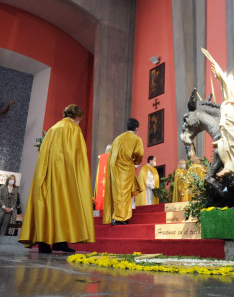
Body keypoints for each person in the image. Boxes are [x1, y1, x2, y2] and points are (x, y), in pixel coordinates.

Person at [19, 104, 94, 253]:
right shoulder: (73, 129)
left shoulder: (52, 129)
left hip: (46, 175)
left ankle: (44, 243)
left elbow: (43, 155)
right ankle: (60, 242)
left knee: (47, 206)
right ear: (77, 116)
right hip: (64, 175)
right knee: (63, 206)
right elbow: (78, 157)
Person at [204, 47, 234, 178]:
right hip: (228, 112)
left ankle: (233, 165)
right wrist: (218, 75)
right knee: (225, 137)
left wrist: (218, 71)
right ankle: (228, 163)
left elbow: (225, 80)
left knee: (233, 137)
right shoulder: (229, 85)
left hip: (233, 112)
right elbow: (223, 81)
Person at [102, 118, 144, 225]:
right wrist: (135, 163)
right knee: (125, 193)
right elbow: (139, 153)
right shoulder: (136, 139)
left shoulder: (117, 138)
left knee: (117, 192)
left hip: (114, 168)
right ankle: (121, 218)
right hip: (126, 168)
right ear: (136, 128)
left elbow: (111, 154)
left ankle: (116, 216)